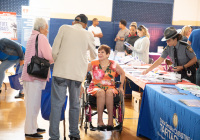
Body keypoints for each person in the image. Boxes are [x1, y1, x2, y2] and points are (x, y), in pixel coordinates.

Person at [49, 14, 97, 140]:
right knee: (75, 105)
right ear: (85, 25)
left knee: (56, 105)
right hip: (77, 74)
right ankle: (74, 134)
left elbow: (54, 51)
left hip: (60, 72)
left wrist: (58, 62)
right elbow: (93, 56)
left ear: (73, 22)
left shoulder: (63, 28)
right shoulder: (88, 34)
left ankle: (54, 137)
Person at [21, 17, 54, 139]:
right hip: (35, 76)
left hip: (29, 75)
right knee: (33, 104)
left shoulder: (32, 37)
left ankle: (33, 126)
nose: (47, 31)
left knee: (32, 103)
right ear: (41, 28)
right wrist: (55, 56)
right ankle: (30, 130)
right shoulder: (41, 37)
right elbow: (48, 56)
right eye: (46, 28)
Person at [82, 45, 125, 131]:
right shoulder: (93, 64)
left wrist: (121, 87)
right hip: (95, 86)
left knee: (109, 92)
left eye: (102, 52)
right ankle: (100, 121)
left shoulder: (113, 64)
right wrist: (82, 84)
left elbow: (122, 73)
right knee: (101, 92)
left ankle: (110, 122)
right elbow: (82, 71)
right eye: (99, 52)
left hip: (110, 86)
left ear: (108, 54)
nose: (100, 54)